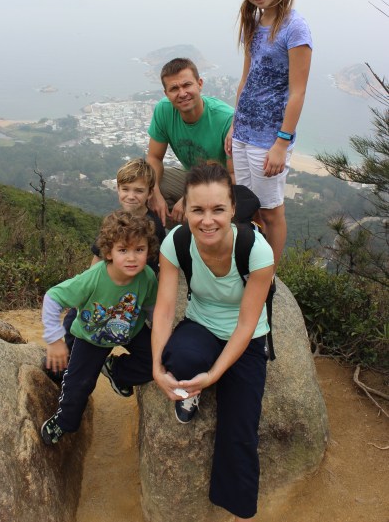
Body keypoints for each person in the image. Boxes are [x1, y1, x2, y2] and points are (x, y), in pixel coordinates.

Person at [151, 163, 274, 520]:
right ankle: (191, 385)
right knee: (179, 360)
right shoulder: (177, 242)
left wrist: (214, 375)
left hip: (247, 336)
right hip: (201, 322)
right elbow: (164, 310)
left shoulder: (256, 251)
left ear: (233, 208)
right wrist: (157, 367)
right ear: (185, 210)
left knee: (240, 429)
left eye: (218, 209)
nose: (207, 220)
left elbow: (247, 325)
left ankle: (236, 509)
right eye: (198, 210)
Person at [225, 0, 312, 268]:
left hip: (269, 138)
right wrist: (234, 125)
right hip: (244, 132)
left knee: (272, 212)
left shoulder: (295, 28)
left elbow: (298, 92)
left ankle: (268, 275)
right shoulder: (254, 21)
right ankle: (250, 263)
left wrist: (282, 143)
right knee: (247, 206)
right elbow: (246, 80)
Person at [40, 210, 158, 445]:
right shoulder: (94, 277)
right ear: (109, 252)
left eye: (139, 249)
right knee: (79, 385)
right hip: (92, 336)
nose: (132, 258)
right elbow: (53, 297)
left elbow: (151, 306)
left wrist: (159, 333)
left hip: (130, 330)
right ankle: (64, 421)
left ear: (148, 250)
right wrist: (54, 340)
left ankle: (115, 370)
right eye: (123, 250)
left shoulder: (147, 277)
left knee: (158, 360)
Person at [61, 158, 166, 355]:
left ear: (150, 193)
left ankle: (113, 367)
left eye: (138, 191)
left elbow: (153, 270)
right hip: (105, 289)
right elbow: (98, 258)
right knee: (72, 321)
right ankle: (65, 364)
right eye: (125, 189)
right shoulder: (116, 221)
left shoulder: (154, 227)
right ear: (118, 189)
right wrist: (88, 290)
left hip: (129, 297)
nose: (131, 196)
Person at [147, 57, 234, 226]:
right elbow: (154, 158)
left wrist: (190, 197)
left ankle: (210, 232)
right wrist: (154, 193)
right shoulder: (163, 110)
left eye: (187, 85)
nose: (182, 93)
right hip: (193, 177)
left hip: (224, 185)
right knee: (145, 186)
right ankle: (179, 237)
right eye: (174, 88)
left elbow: (233, 177)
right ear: (166, 94)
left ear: (199, 84)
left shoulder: (225, 119)